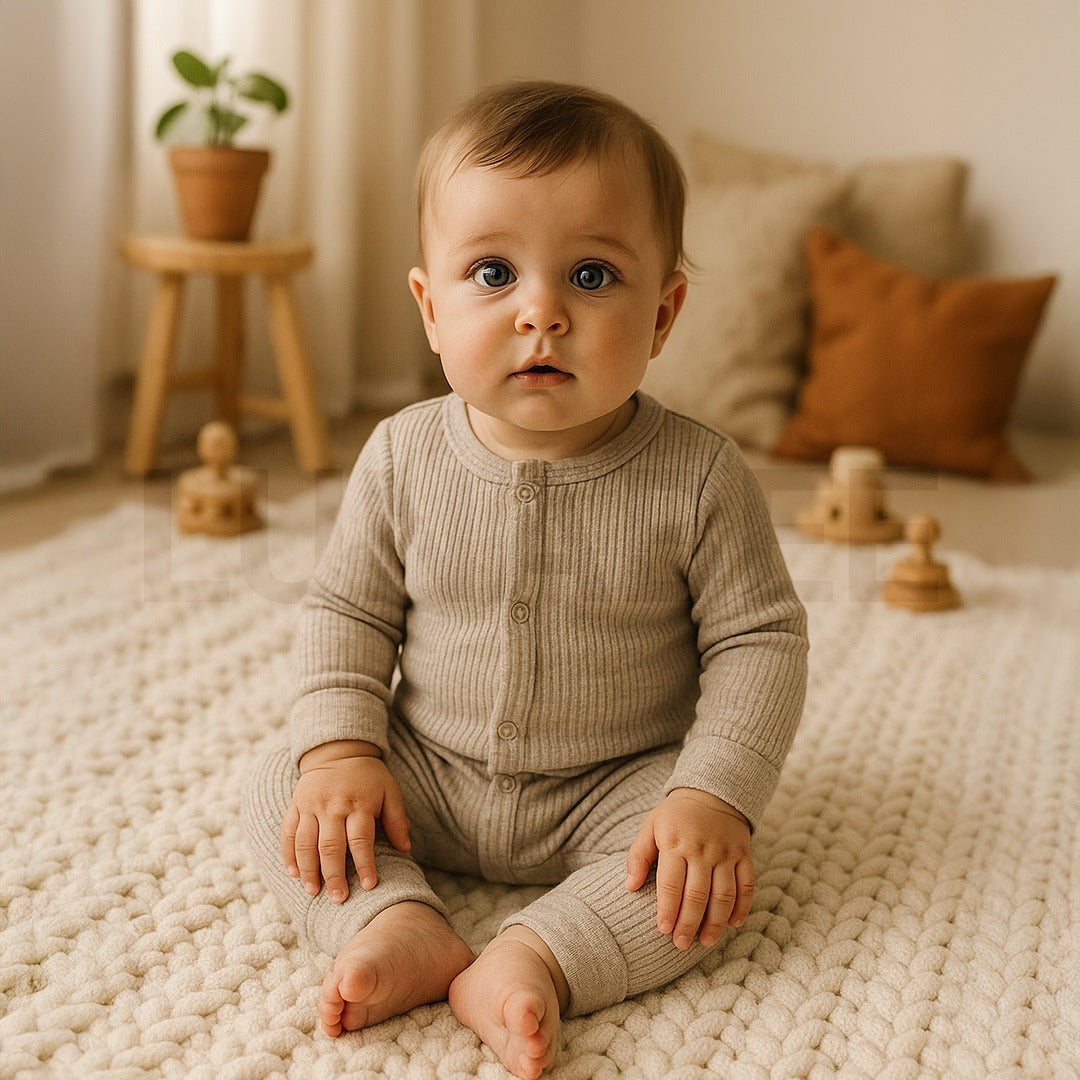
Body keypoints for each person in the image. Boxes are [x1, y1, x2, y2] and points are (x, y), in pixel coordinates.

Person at [244, 80, 808, 1080]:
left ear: (665, 312)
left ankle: (538, 953)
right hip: (432, 776)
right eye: (494, 273)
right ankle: (396, 919)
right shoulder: (401, 455)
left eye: (592, 276)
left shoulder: (702, 476)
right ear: (430, 308)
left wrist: (711, 797)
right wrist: (340, 751)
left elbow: (759, 641)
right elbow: (348, 612)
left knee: (701, 884)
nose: (540, 312)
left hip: (616, 787)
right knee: (280, 788)